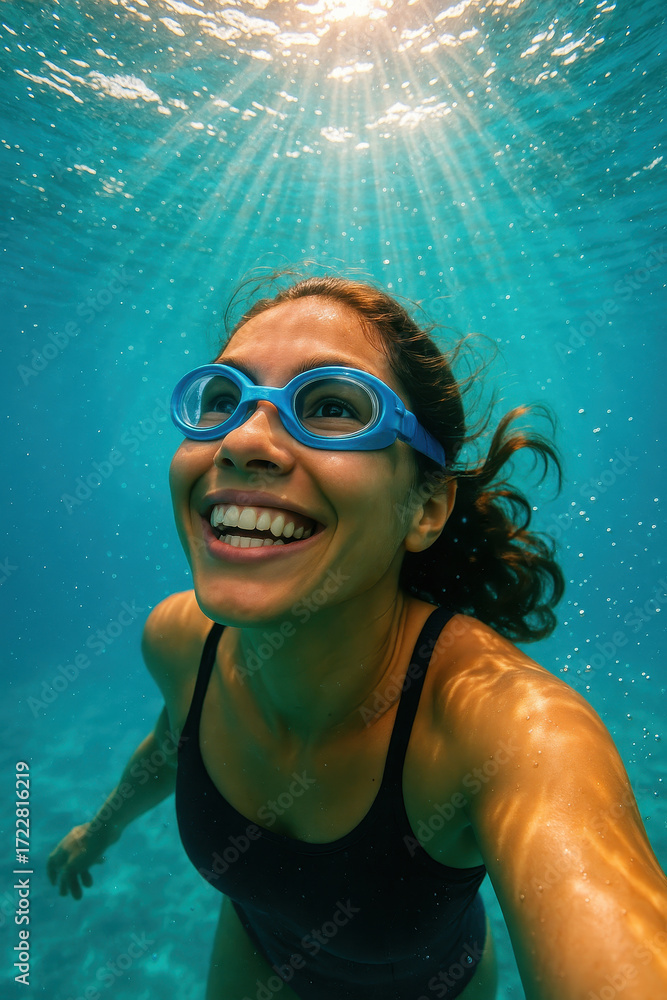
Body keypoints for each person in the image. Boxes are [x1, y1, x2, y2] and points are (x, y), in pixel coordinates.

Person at [48, 274, 667, 1000]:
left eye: (334, 407)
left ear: (426, 506)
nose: (242, 440)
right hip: (255, 956)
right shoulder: (179, 639)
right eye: (221, 400)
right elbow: (170, 743)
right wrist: (101, 828)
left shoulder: (505, 727)